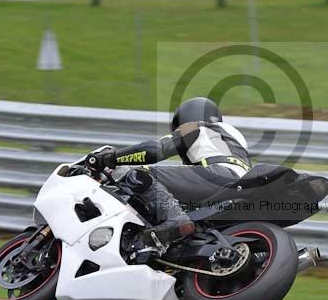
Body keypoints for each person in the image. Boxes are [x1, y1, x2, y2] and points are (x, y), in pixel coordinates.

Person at [84, 97, 251, 250]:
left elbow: (156, 150)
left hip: (217, 176)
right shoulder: (233, 139)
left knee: (140, 176)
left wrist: (111, 158)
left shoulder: (198, 127)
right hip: (242, 187)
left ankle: (175, 219)